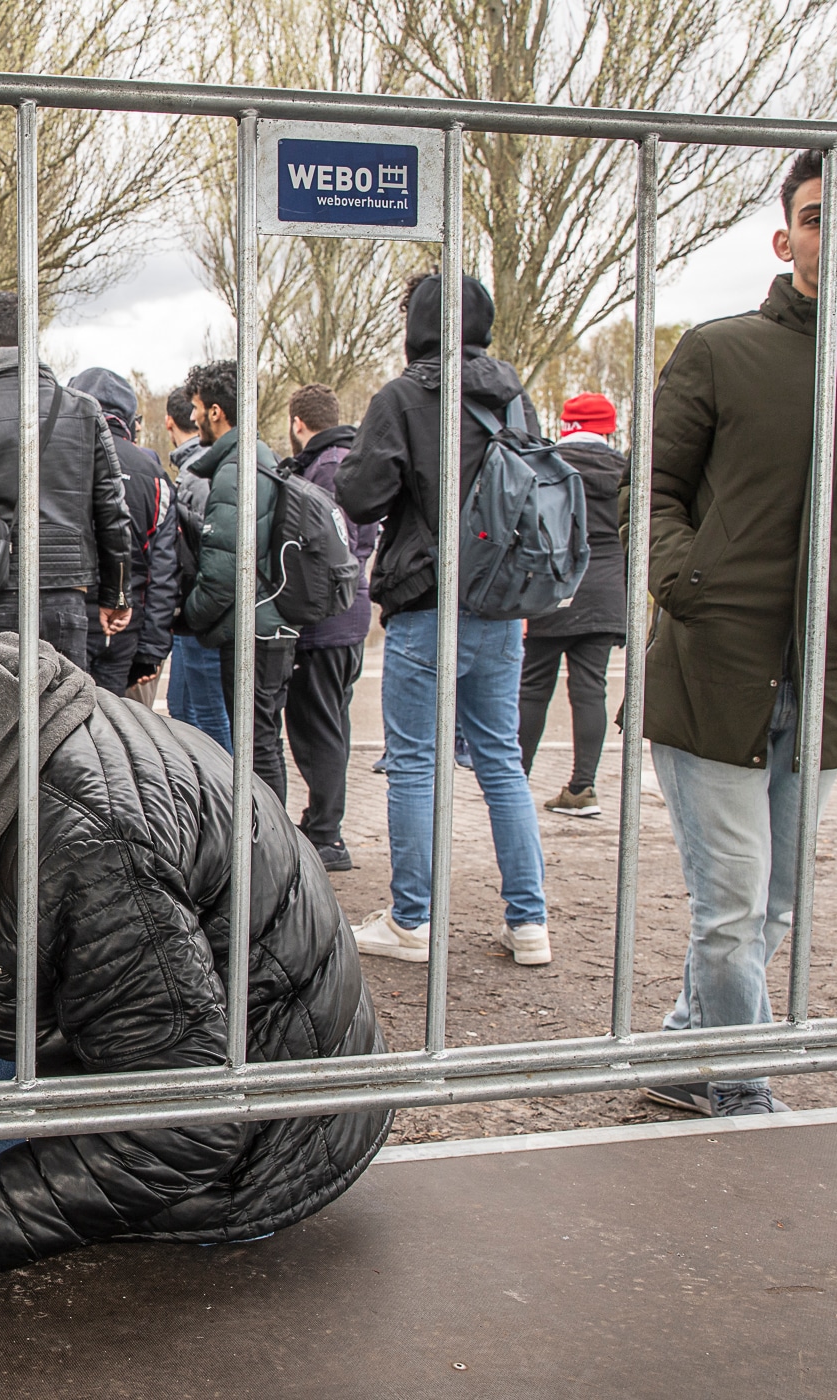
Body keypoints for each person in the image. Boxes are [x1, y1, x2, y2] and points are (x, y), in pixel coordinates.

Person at [0, 642, 387, 1286]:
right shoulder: (10, 726)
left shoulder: (93, 848)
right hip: (291, 1096)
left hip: (256, 1159)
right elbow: (57, 923)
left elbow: (186, 1126)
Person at [637, 149, 837, 1119]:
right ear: (787, 236)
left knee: (772, 907)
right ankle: (741, 1089)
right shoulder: (718, 351)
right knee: (732, 910)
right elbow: (657, 491)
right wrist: (693, 584)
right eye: (820, 215)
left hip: (832, 672)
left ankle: (690, 1050)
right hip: (715, 671)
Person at [337, 273, 552, 969]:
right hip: (501, 603)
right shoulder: (514, 398)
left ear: (419, 322)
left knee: (415, 763)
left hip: (429, 601)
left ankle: (412, 921)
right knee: (501, 762)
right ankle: (529, 923)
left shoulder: (404, 396)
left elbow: (364, 496)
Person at [0, 291, 134, 667]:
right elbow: (113, 511)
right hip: (65, 593)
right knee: (64, 717)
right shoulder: (84, 411)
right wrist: (115, 595)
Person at [178, 358, 299, 801]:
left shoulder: (235, 470)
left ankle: (267, 853)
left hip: (253, 632)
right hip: (268, 625)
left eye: (195, 407)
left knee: (256, 745)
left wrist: (185, 616)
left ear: (215, 411)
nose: (192, 417)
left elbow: (225, 570)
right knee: (263, 739)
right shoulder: (257, 458)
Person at [517, 390, 627, 819]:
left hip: (551, 588)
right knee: (590, 690)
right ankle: (582, 788)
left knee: (533, 688)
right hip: (605, 592)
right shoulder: (624, 469)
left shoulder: (544, 465)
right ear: (609, 427)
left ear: (565, 424)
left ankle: (516, 782)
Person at [282, 384, 376, 872]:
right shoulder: (350, 462)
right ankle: (323, 821)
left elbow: (330, 549)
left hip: (326, 621)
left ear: (299, 423)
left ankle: (326, 832)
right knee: (331, 722)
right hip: (350, 615)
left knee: (318, 726)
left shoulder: (326, 470)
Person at [70, 367, 178, 698]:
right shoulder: (154, 473)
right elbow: (164, 571)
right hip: (125, 624)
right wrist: (152, 649)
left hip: (71, 616)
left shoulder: (59, 459)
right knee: (114, 730)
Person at [160, 385, 230, 742]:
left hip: (202, 614)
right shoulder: (200, 468)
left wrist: (196, 610)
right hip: (197, 614)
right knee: (183, 706)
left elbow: (208, 549)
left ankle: (222, 796)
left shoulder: (198, 473)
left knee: (206, 714)